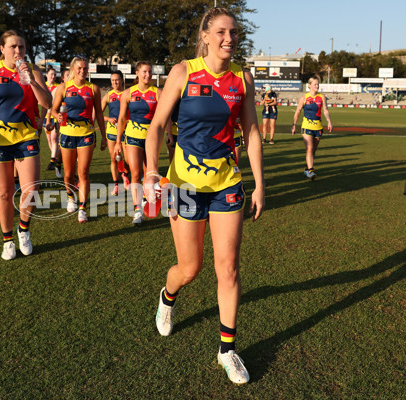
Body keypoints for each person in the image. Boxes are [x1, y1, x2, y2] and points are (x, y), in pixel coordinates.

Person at [143, 7, 265, 385]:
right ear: (207, 35)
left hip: (227, 183)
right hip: (184, 185)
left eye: (235, 33)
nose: (230, 39)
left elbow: (252, 132)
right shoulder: (184, 72)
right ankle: (168, 296)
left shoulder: (242, 79)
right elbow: (157, 126)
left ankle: (227, 350)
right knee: (190, 269)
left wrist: (260, 183)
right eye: (223, 32)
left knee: (227, 269)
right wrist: (151, 172)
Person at [0, 30, 51, 260]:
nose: (17, 51)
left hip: (26, 137)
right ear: (2, 49)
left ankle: (23, 229)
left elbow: (48, 102)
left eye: (21, 47)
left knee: (31, 190)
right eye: (13, 46)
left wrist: (31, 80)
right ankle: (7, 240)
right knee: (4, 193)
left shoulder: (33, 70)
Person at [51, 56, 107, 223]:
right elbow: (53, 110)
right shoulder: (63, 88)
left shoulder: (93, 89)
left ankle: (82, 208)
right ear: (73, 69)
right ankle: (70, 198)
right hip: (67, 134)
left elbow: (99, 113)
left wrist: (104, 136)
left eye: (85, 68)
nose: (82, 71)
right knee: (68, 175)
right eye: (79, 68)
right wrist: (58, 115)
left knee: (83, 172)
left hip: (86, 134)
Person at [114, 61, 165, 225]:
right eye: (144, 72)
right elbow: (121, 118)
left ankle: (144, 199)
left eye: (149, 72)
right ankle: (137, 210)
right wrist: (117, 142)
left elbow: (165, 116)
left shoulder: (158, 92)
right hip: (132, 136)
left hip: (151, 138)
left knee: (147, 173)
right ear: (137, 73)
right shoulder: (128, 93)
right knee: (135, 172)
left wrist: (168, 133)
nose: (147, 75)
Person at [291, 75, 333, 180]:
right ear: (309, 85)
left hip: (318, 127)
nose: (317, 86)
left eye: (318, 84)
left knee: (313, 150)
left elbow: (325, 110)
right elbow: (298, 111)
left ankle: (307, 169)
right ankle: (311, 171)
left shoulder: (321, 97)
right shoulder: (304, 98)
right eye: (315, 84)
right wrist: (294, 125)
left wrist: (329, 121)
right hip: (306, 126)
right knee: (309, 148)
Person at [101, 70, 130, 196]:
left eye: (117, 80)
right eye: (112, 80)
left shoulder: (127, 94)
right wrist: (108, 119)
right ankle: (116, 185)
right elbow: (97, 114)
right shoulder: (108, 96)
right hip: (112, 132)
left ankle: (125, 175)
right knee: (114, 158)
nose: (115, 82)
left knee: (128, 160)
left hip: (127, 131)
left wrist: (128, 121)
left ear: (122, 80)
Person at [40, 66, 63, 177]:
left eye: (54, 75)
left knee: (54, 139)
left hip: (54, 117)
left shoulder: (58, 87)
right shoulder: (42, 86)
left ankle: (53, 161)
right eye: (51, 74)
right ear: (47, 75)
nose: (53, 76)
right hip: (44, 117)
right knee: (49, 140)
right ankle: (57, 159)